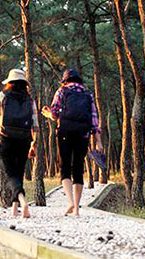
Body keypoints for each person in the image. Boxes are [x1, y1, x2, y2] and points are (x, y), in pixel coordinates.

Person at [0, 69, 38, 218]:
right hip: (24, 139)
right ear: (24, 84)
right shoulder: (29, 99)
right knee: (19, 172)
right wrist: (33, 144)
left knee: (11, 173)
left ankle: (23, 202)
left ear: (9, 82)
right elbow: (35, 124)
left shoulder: (3, 95)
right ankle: (14, 208)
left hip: (7, 138)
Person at [42, 69, 102, 217]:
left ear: (65, 80)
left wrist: (47, 113)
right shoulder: (88, 94)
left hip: (65, 132)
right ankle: (76, 209)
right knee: (78, 168)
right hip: (83, 133)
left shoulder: (62, 91)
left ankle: (70, 202)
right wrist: (98, 142)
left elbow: (55, 114)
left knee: (65, 167)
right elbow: (94, 120)